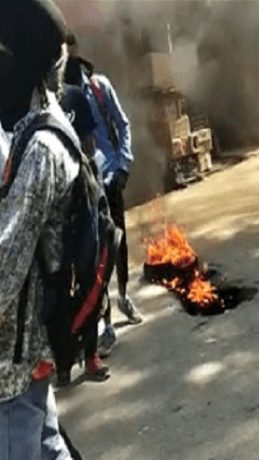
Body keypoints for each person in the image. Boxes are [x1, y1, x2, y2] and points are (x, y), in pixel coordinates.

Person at [0, 0, 78, 456]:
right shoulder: (40, 126)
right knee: (49, 448)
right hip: (29, 351)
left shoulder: (40, 150)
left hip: (14, 366)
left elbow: (3, 275)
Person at [65, 35, 143, 359]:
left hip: (109, 179)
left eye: (68, 51)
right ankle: (105, 323)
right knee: (93, 256)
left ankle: (123, 296)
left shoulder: (99, 87)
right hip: (81, 186)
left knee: (118, 245)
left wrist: (123, 164)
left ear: (74, 51)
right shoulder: (58, 96)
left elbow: (122, 124)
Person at [56, 43, 109, 386]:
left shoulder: (74, 98)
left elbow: (89, 144)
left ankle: (90, 356)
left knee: (91, 278)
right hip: (54, 213)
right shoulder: (28, 109)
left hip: (83, 201)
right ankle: (63, 364)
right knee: (58, 284)